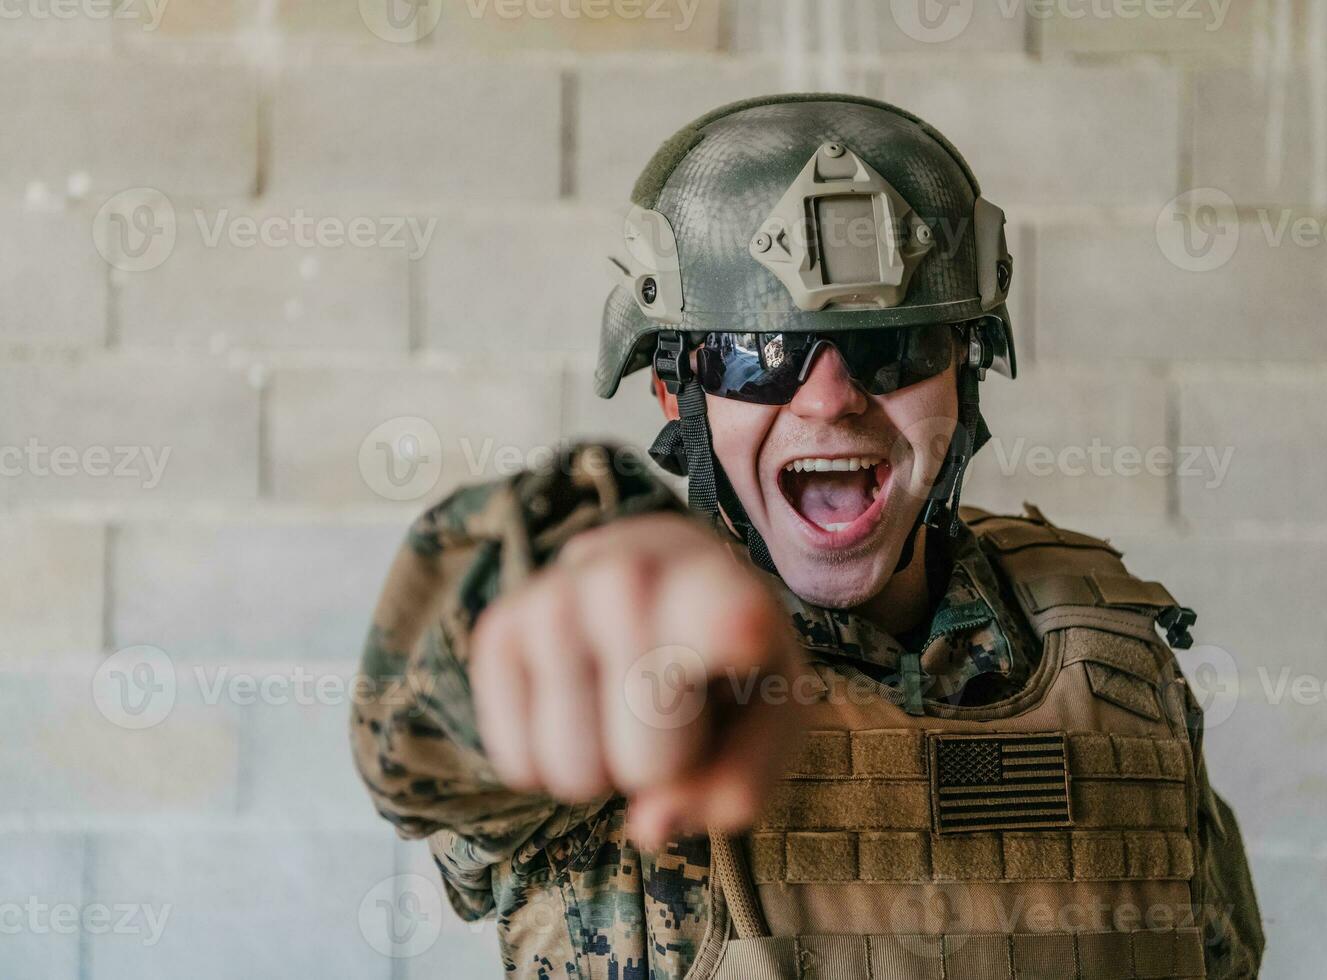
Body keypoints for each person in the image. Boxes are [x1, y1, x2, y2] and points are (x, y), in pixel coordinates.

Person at [350, 94, 1265, 979]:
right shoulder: (629, 670)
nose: (830, 399)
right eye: (759, 354)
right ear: (677, 393)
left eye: (891, 349)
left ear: (965, 375)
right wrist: (547, 578)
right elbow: (419, 734)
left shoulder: (1107, 646)